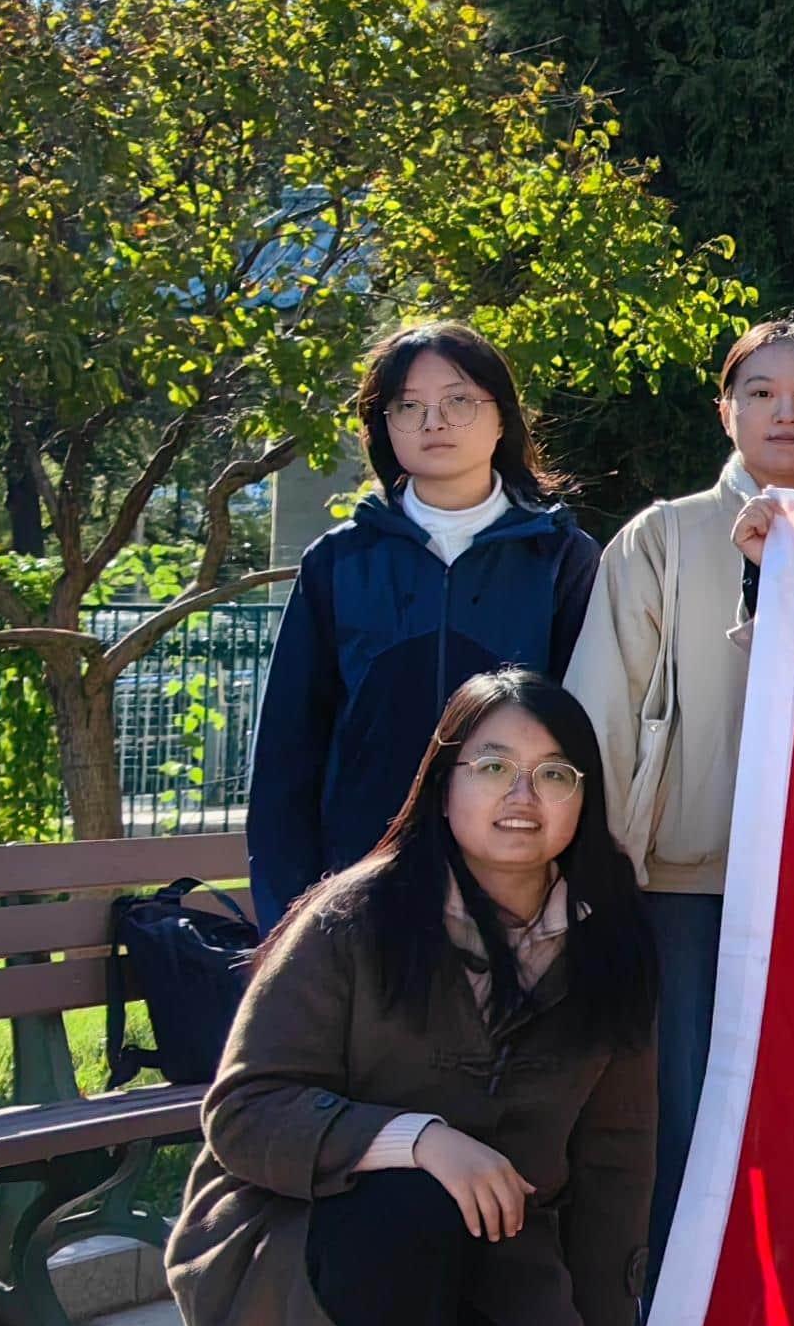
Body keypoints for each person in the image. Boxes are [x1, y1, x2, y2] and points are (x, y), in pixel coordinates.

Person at [172, 669, 656, 1326]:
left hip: (493, 1254)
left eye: (555, 774)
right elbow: (245, 1110)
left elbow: (616, 1147)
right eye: (493, 766)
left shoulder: (609, 939)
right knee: (409, 1202)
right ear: (443, 785)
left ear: (584, 798)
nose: (523, 797)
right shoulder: (353, 918)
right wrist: (419, 1141)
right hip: (303, 1234)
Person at [562, 321, 794, 1284]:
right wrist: (596, 873)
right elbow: (601, 715)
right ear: (726, 411)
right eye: (761, 392)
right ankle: (673, 1317)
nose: (785, 412)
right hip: (686, 879)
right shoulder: (666, 535)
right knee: (681, 1108)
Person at [248, 323, 602, 931]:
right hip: (362, 880)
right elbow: (288, 752)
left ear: (502, 417)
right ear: (383, 426)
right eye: (408, 407)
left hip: (520, 887)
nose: (433, 422)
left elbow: (592, 736)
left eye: (458, 400)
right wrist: (290, 916)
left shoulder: (562, 558)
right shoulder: (339, 561)